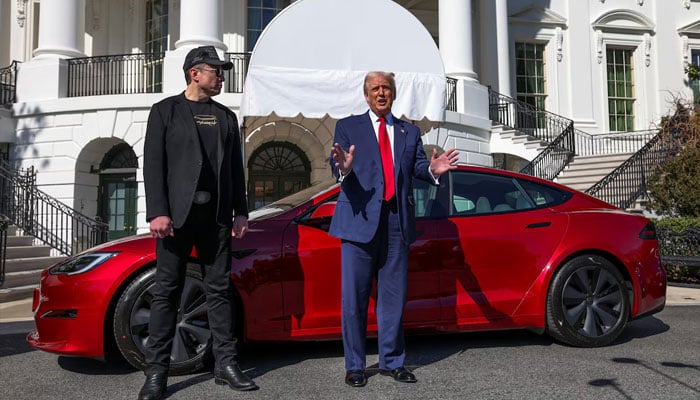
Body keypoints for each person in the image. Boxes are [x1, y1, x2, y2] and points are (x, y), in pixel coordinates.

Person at [139, 45, 257, 400]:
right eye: (215, 71)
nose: (221, 76)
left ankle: (226, 365)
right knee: (166, 293)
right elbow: (153, 165)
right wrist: (157, 211)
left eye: (222, 71)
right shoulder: (165, 111)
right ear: (195, 73)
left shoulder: (224, 116)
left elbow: (236, 169)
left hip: (217, 218)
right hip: (176, 218)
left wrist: (241, 211)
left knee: (219, 292)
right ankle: (156, 374)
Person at [329, 71, 459, 387]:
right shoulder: (348, 127)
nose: (381, 93)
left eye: (386, 88)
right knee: (354, 301)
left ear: (394, 93)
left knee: (394, 299)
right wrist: (343, 169)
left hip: (396, 224)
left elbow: (416, 167)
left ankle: (392, 361)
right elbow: (336, 164)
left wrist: (431, 169)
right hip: (359, 224)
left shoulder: (409, 132)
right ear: (366, 95)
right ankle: (356, 366)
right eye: (375, 88)